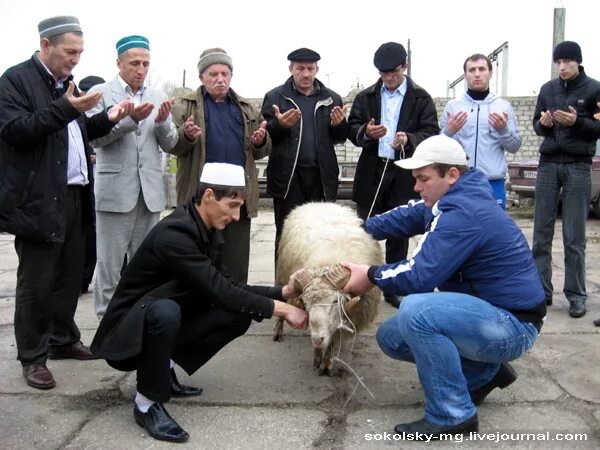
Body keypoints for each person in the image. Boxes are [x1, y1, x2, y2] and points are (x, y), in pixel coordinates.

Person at [341, 135, 546, 439]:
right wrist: (352, 230)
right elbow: (408, 215)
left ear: (451, 175)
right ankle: (483, 373)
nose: (416, 187)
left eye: (423, 179)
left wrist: (370, 275)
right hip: (492, 316)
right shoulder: (454, 197)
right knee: (392, 336)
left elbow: (420, 275)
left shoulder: (464, 213)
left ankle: (452, 415)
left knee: (417, 312)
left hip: (512, 325)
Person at [91, 162, 308, 443]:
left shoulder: (205, 229)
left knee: (238, 314)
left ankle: (163, 368)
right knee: (166, 311)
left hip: (157, 316)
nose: (236, 215)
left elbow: (230, 286)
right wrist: (283, 310)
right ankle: (145, 404)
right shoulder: (175, 235)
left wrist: (283, 292)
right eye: (232, 205)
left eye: (239, 206)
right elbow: (220, 290)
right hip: (127, 334)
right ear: (208, 196)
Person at [0, 16, 132, 390]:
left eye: (80, 53)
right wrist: (68, 108)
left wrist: (107, 117)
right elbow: (15, 131)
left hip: (74, 195)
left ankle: (62, 340)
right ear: (45, 46)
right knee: (36, 283)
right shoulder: (16, 81)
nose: (76, 59)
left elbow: (74, 134)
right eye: (69, 52)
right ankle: (33, 357)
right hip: (37, 198)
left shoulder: (65, 85)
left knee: (71, 276)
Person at [85, 35, 179, 319]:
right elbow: (95, 140)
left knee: (145, 265)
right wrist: (130, 120)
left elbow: (171, 143)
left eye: (146, 63)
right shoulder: (101, 94)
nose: (141, 69)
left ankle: (138, 322)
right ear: (119, 63)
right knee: (110, 266)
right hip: (115, 193)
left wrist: (162, 123)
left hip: (149, 195)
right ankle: (106, 324)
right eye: (135, 63)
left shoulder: (158, 96)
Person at [348, 42, 439, 308]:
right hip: (372, 169)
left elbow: (431, 132)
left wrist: (408, 139)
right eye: (382, 74)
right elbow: (351, 128)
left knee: (399, 229)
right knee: (365, 227)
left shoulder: (421, 97)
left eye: (393, 73)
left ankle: (392, 286)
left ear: (404, 67)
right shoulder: (366, 97)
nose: (388, 78)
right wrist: (366, 132)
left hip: (402, 170)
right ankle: (360, 280)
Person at [171, 48, 270, 284]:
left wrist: (260, 142)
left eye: (225, 73)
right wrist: (185, 136)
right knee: (198, 260)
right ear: (201, 78)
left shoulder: (245, 109)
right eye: (213, 74)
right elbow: (172, 146)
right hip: (201, 197)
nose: (220, 79)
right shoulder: (184, 107)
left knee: (234, 263)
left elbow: (262, 150)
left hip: (237, 198)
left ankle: (235, 314)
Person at [532, 41, 600, 318]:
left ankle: (576, 296)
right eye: (558, 62)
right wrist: (544, 124)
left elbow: (598, 128)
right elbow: (537, 125)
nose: (562, 66)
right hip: (548, 165)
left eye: (568, 61)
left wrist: (577, 123)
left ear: (578, 62)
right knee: (540, 234)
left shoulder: (594, 89)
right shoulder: (548, 90)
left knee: (574, 237)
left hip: (578, 167)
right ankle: (540, 293)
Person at [260, 48, 348, 260]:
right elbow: (265, 135)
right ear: (291, 69)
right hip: (288, 177)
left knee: (320, 235)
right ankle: (283, 288)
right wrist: (279, 125)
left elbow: (339, 138)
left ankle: (317, 285)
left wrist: (339, 126)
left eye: (310, 68)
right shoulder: (275, 97)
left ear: (317, 69)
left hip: (321, 177)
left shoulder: (332, 98)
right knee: (287, 235)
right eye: (300, 68)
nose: (306, 74)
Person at [440, 53, 521, 209]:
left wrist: (503, 129)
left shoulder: (503, 107)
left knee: (493, 231)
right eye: (472, 70)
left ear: (490, 73)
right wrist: (449, 131)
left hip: (492, 183)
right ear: (465, 75)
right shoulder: (453, 107)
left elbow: (515, 146)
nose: (477, 74)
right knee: (460, 229)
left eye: (482, 69)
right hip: (459, 181)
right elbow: (440, 146)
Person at [78, 75, 106, 295]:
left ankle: (85, 277)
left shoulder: (108, 108)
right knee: (87, 232)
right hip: (83, 184)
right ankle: (83, 279)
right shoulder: (75, 110)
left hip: (104, 182)